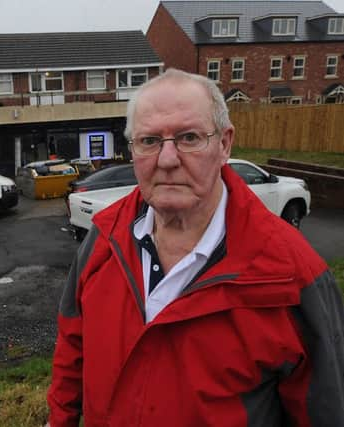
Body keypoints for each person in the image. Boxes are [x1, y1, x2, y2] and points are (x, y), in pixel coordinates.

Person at [46, 68, 344, 426]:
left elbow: (325, 410)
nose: (167, 159)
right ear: (133, 150)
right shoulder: (103, 237)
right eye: (149, 141)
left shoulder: (293, 274)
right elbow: (72, 345)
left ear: (225, 144)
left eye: (188, 137)